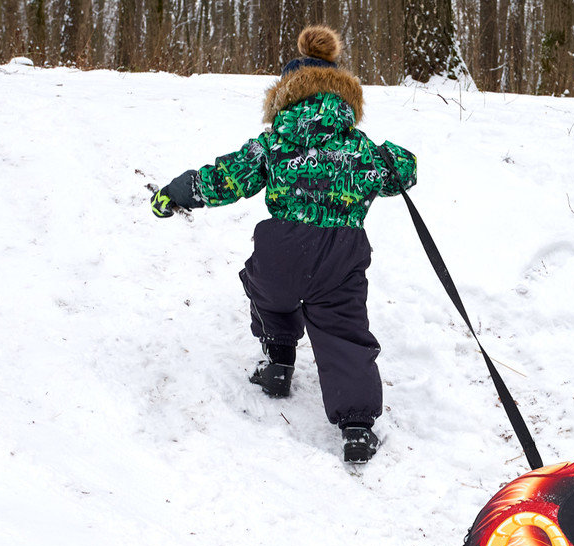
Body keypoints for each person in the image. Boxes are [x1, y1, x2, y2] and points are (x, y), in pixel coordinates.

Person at [151, 24, 417, 464]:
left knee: (265, 288)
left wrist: (179, 191)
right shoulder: (359, 147)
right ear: (343, 99)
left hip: (284, 250)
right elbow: (403, 172)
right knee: (344, 334)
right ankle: (356, 427)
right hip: (341, 256)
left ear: (285, 95)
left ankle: (278, 360)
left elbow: (226, 177)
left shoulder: (274, 144)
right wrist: (394, 159)